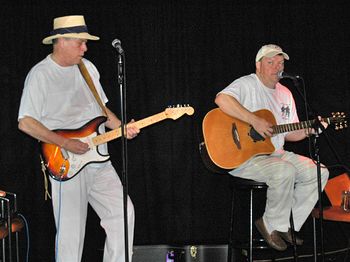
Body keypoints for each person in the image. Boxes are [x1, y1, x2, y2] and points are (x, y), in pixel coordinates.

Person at [18, 15, 139, 261]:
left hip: (100, 161)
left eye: (86, 43)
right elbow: (26, 122)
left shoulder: (88, 68)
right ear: (61, 41)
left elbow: (102, 112)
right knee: (71, 236)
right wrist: (65, 142)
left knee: (123, 214)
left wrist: (122, 127)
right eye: (80, 43)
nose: (85, 48)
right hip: (66, 161)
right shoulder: (40, 74)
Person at [215, 44, 329, 251]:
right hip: (245, 157)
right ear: (258, 65)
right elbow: (221, 99)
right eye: (271, 62)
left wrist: (310, 130)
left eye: (280, 63)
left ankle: (286, 223)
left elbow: (290, 133)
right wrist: (254, 120)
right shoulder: (247, 84)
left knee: (319, 172)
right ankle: (269, 224)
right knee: (284, 170)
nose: (277, 67)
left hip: (276, 153)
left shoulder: (286, 93)